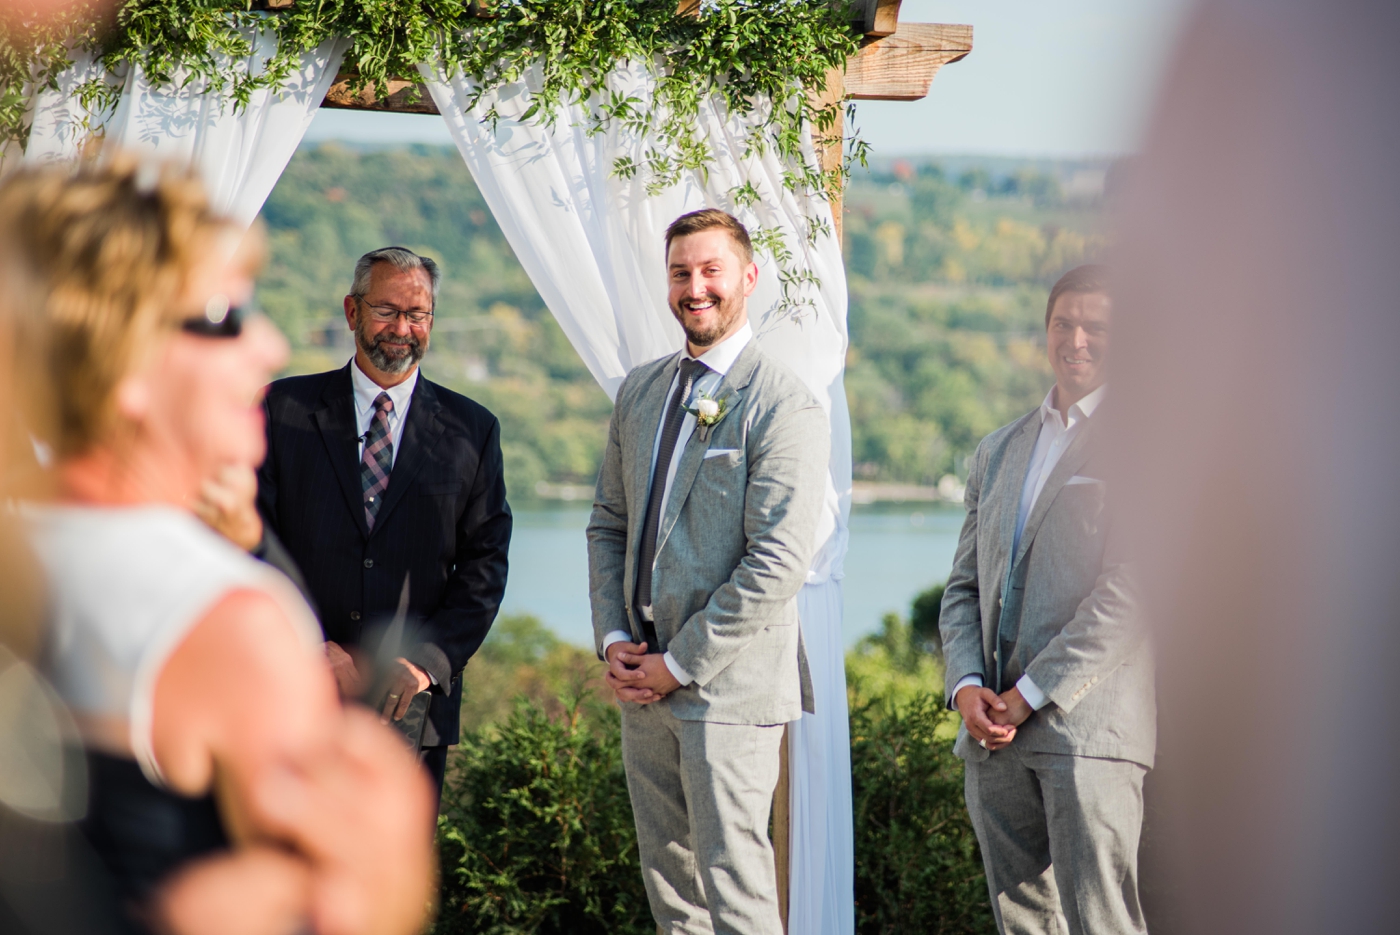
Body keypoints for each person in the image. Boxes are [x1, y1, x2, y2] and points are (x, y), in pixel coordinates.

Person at [5, 157, 435, 935]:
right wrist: (386, 865)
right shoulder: (228, 622)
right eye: (222, 316)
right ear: (120, 357)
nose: (267, 346)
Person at [587, 208, 829, 934]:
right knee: (673, 896)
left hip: (729, 687)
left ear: (748, 278)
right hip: (641, 684)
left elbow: (779, 559)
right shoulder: (640, 390)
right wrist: (614, 638)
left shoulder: (783, 400)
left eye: (711, 270)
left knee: (735, 888)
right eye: (681, 272)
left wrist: (680, 663)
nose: (696, 287)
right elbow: (608, 522)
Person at [938, 264, 1153, 935]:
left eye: (1097, 326)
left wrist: (1031, 692)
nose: (1077, 338)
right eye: (1064, 322)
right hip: (992, 735)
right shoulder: (999, 449)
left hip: (1088, 731)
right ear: (1046, 330)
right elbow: (963, 586)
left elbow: (1129, 597)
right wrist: (967, 685)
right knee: (1019, 921)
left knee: (1102, 921)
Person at [256, 246, 512, 795]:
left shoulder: (474, 430)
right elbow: (250, 542)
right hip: (294, 693)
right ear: (352, 312)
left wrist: (426, 662)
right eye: (387, 311)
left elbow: (484, 568)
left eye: (417, 315)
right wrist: (308, 644)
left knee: (394, 880)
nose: (402, 327)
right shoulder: (281, 410)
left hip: (412, 708)